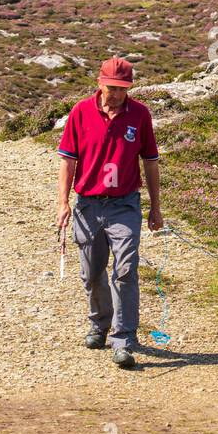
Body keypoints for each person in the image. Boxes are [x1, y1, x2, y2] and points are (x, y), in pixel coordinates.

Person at [55, 56, 162, 369]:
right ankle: (100, 323)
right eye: (110, 86)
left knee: (126, 269)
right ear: (99, 82)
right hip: (88, 204)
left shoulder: (140, 114)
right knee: (91, 272)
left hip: (124, 205)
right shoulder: (80, 112)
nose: (115, 93)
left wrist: (155, 207)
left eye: (121, 88)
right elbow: (67, 161)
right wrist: (63, 203)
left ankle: (124, 338)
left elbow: (151, 162)